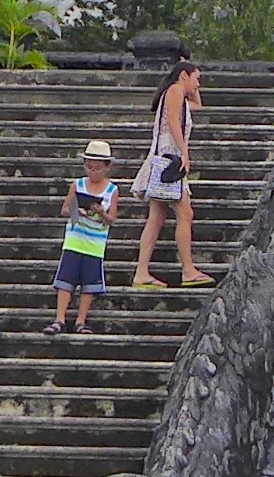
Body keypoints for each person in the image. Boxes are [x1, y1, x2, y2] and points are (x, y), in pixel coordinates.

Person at [129, 50, 213, 291]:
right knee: (185, 214)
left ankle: (142, 271)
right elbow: (173, 121)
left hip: (165, 158)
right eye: (196, 78)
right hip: (169, 159)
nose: (198, 84)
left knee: (156, 218)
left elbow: (197, 105)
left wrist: (189, 76)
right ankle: (188, 269)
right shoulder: (175, 90)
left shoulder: (178, 94)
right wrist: (184, 152)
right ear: (184, 76)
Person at [51, 139, 117, 335]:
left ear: (107, 167)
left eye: (97, 168)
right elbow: (65, 209)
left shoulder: (112, 190)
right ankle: (59, 319)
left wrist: (101, 212)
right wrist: (77, 211)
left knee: (89, 285)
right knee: (65, 280)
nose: (92, 172)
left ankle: (81, 321)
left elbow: (112, 219)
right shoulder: (78, 185)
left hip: (95, 243)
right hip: (74, 240)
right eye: (89, 168)